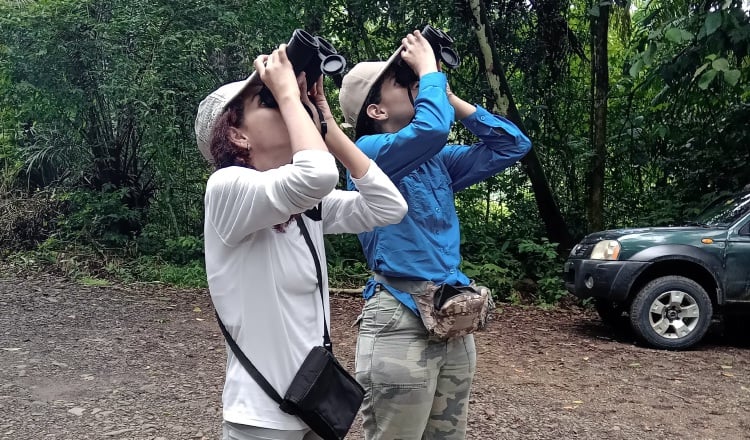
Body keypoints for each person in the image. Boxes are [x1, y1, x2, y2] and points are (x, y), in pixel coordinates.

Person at [195, 43, 408, 440]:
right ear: (237, 135)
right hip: (260, 420)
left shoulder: (304, 205)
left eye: (283, 98)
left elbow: (387, 207)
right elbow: (317, 175)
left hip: (310, 406)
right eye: (269, 100)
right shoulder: (227, 187)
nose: (285, 104)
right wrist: (291, 97)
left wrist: (325, 121)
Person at [338, 30, 532, 439]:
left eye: (415, 81)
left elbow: (512, 146)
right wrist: (429, 74)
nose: (414, 84)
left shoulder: (437, 160)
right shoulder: (370, 154)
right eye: (401, 82)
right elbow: (430, 131)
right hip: (398, 318)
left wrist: (449, 97)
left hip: (451, 313)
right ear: (375, 110)